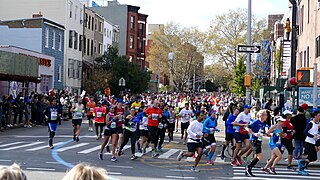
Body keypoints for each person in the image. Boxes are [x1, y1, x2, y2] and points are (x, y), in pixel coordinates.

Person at [245, 110, 267, 177]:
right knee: (259, 157)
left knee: (258, 157)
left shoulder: (263, 123)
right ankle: (248, 167)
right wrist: (254, 133)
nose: (266, 116)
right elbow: (247, 128)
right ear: (261, 115)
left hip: (259, 140)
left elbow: (262, 132)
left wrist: (267, 134)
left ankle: (249, 168)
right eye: (265, 115)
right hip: (254, 140)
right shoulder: (255, 122)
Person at [298, 110, 320, 175]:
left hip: (313, 142)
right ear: (315, 116)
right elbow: (305, 132)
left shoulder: (317, 124)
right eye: (319, 115)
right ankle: (301, 166)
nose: (319, 117)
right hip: (308, 142)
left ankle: (302, 163)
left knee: (313, 158)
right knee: (311, 157)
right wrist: (312, 136)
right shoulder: (311, 123)